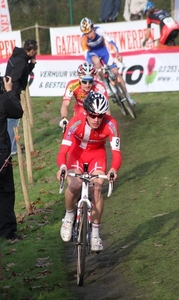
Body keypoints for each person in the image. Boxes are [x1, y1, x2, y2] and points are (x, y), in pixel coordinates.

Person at [56, 91, 122, 252]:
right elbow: (62, 151)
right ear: (86, 112)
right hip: (76, 155)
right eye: (93, 115)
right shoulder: (75, 122)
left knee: (97, 189)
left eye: (100, 116)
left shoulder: (111, 124)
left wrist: (113, 169)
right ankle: (69, 216)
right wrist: (62, 167)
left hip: (97, 157)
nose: (96, 119)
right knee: (74, 186)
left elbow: (116, 153)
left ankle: (95, 234)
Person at [80, 17, 136, 105]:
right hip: (93, 54)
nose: (90, 35)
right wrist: (93, 65)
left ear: (93, 27)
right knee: (97, 63)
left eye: (90, 31)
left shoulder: (100, 30)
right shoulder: (83, 39)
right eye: (87, 33)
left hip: (104, 51)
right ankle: (105, 84)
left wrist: (117, 53)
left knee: (116, 72)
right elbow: (86, 55)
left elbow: (111, 43)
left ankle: (128, 96)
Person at [0, 76, 23, 241]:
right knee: (6, 192)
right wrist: (10, 91)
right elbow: (18, 111)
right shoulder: (3, 100)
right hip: (1, 154)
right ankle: (7, 232)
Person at [5, 39, 38, 155]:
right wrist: (15, 95)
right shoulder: (21, 61)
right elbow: (14, 79)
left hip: (9, 92)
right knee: (13, 122)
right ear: (32, 51)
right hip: (11, 93)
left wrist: (32, 64)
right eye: (36, 51)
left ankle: (11, 146)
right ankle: (13, 148)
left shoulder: (20, 57)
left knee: (10, 121)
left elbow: (23, 72)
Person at [59, 61, 110, 129]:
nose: (87, 85)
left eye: (90, 81)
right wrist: (64, 118)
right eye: (84, 82)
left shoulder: (99, 86)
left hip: (95, 112)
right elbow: (65, 104)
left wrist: (107, 123)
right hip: (79, 111)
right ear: (80, 80)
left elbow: (106, 107)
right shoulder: (72, 85)